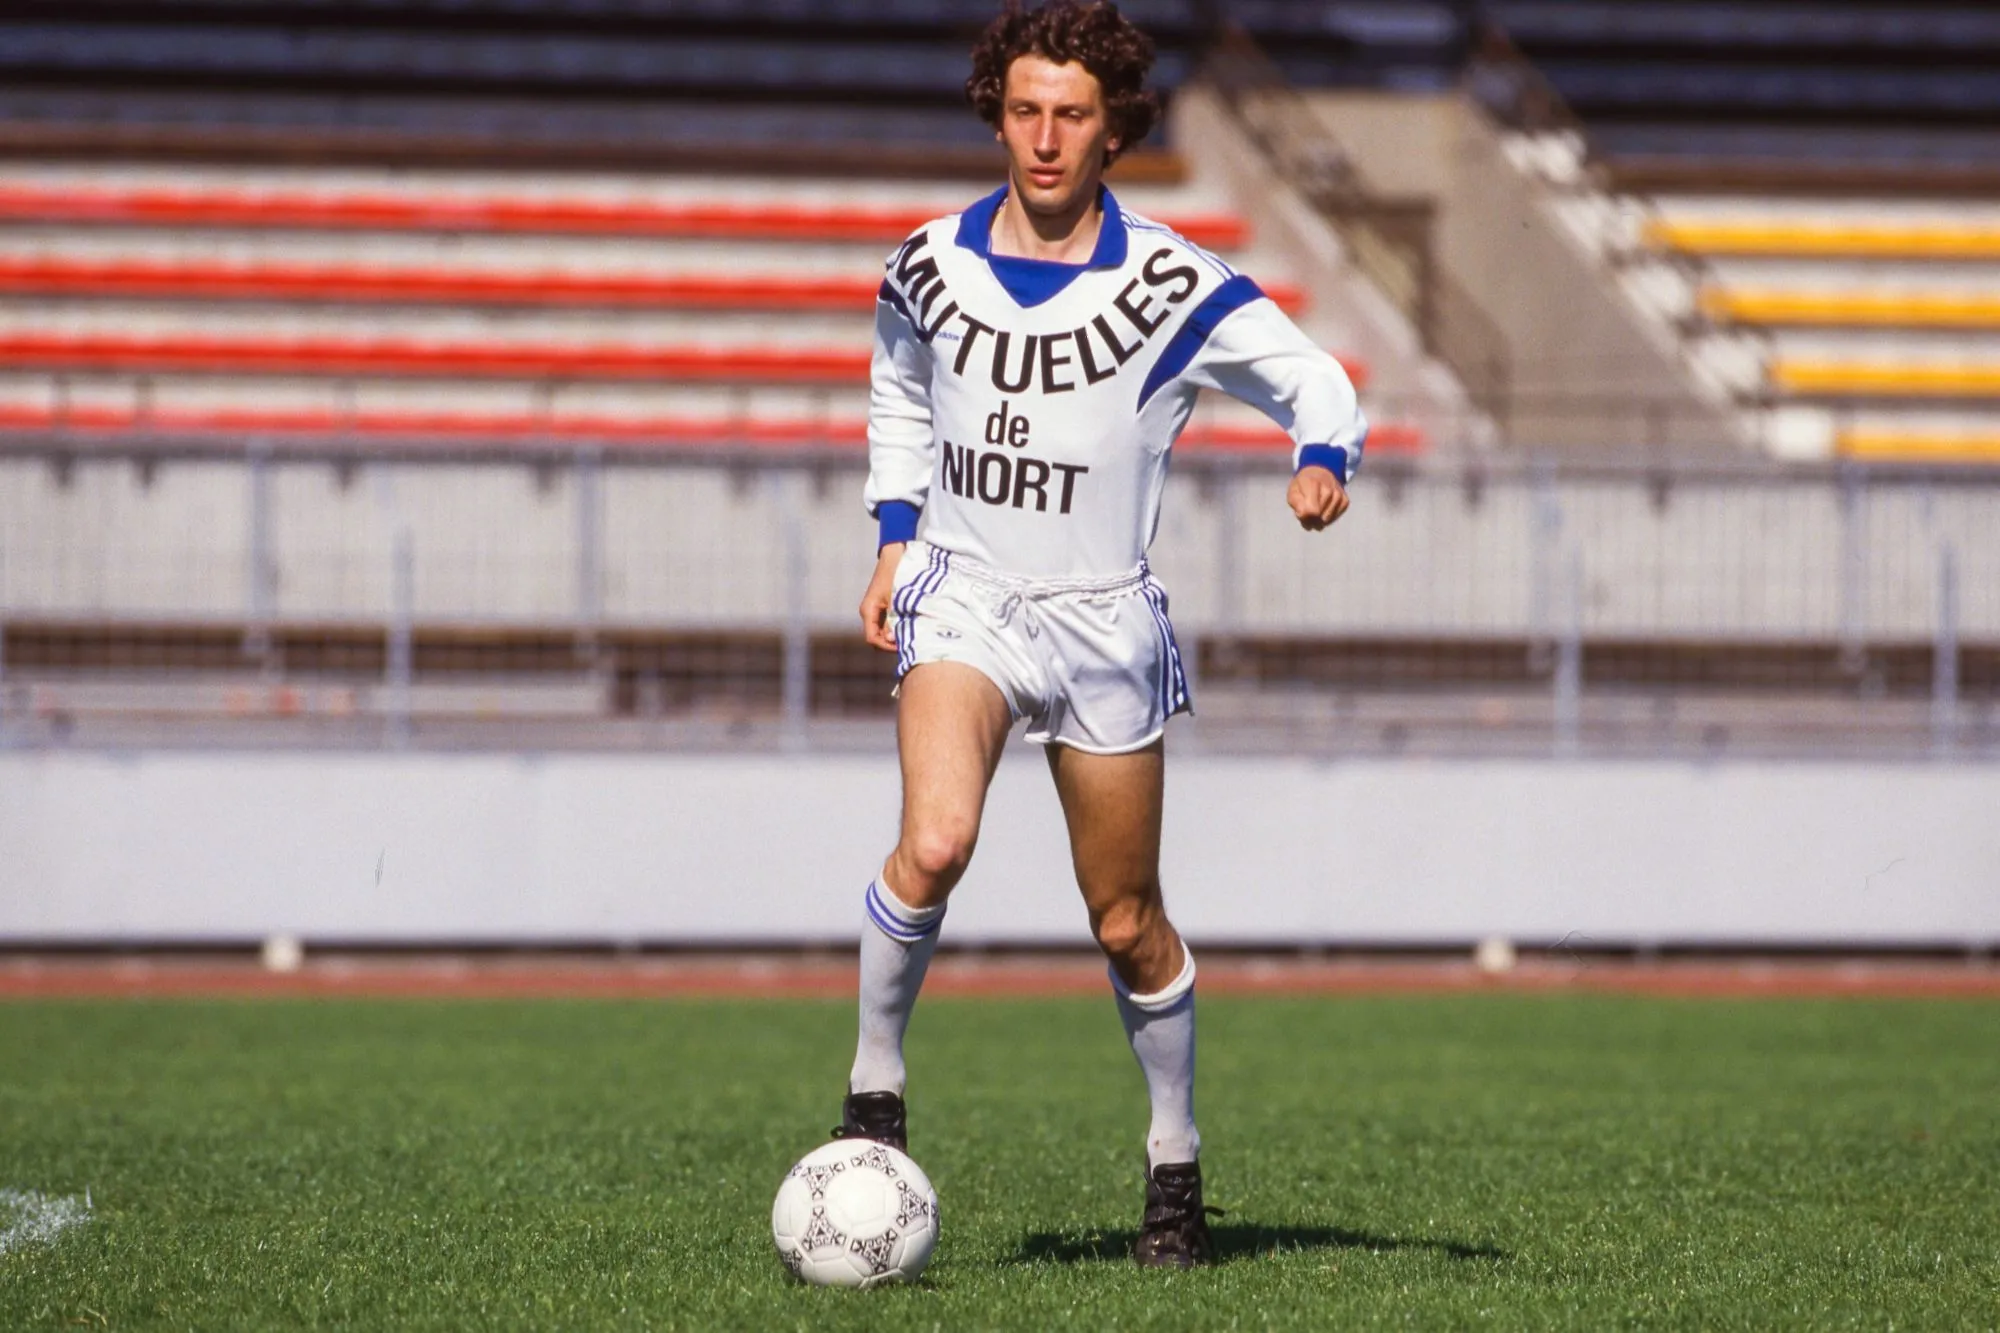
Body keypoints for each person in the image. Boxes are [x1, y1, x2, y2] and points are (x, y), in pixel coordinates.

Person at [835, 0, 1363, 1269]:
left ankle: (1172, 1161)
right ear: (994, 111)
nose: (1045, 137)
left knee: (1124, 919)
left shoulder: (1170, 281)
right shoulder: (925, 262)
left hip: (1103, 619)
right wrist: (894, 534)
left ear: (1114, 125)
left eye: (1072, 113)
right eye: (1024, 109)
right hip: (963, 594)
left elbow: (1313, 374)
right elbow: (899, 388)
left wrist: (1320, 457)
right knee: (936, 839)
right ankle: (872, 1091)